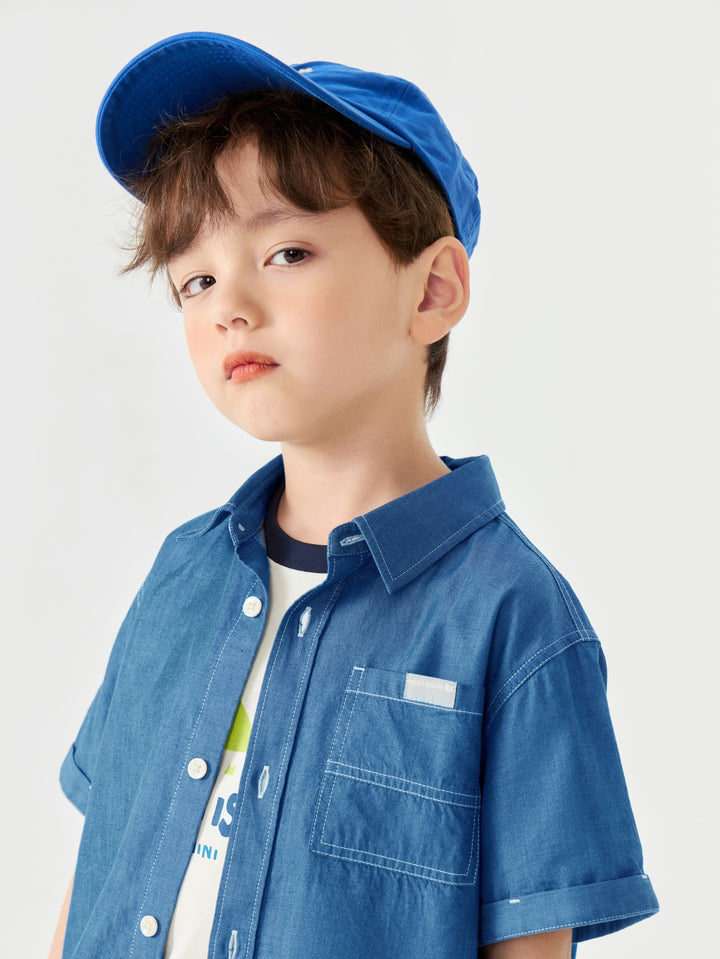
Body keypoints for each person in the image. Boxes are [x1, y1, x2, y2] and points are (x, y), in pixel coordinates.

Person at [50, 31, 659, 959]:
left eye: (287, 252)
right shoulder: (181, 575)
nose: (229, 304)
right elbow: (96, 874)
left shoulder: (511, 616)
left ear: (433, 290)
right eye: (196, 279)